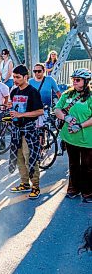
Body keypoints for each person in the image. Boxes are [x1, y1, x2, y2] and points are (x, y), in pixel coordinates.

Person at [54, 68, 91, 203]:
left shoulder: (91, 96)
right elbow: (57, 109)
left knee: (87, 166)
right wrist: (66, 117)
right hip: (70, 137)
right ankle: (73, 189)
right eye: (73, 79)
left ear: (86, 82)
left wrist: (80, 126)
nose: (74, 82)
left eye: (78, 80)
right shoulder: (67, 94)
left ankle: (88, 192)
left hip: (87, 139)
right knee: (73, 164)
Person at [7, 65, 44, 200]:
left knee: (30, 158)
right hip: (16, 130)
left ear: (25, 77)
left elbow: (40, 111)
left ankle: (36, 187)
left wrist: (21, 114)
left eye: (18, 77)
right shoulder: (14, 91)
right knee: (19, 158)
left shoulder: (32, 92)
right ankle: (24, 183)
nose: (15, 80)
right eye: (14, 77)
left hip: (29, 129)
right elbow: (14, 109)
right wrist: (10, 110)